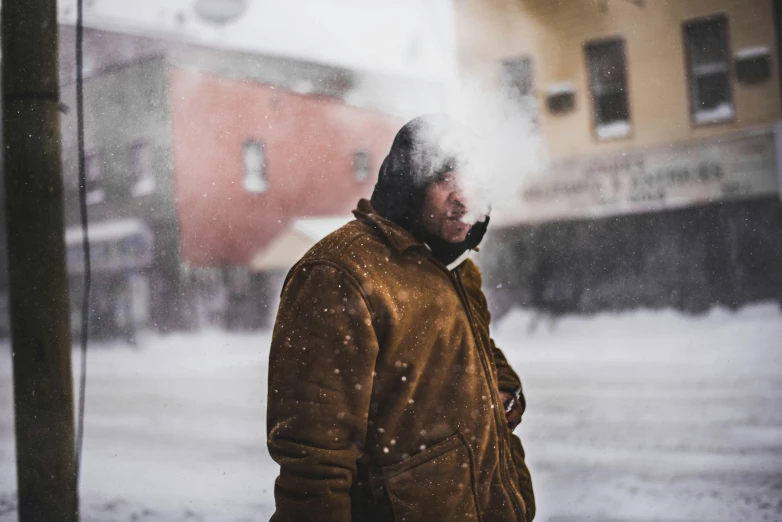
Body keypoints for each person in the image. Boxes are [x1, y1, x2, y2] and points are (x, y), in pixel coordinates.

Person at [266, 115, 535, 522]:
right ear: (410, 183)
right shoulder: (339, 274)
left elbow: (477, 352)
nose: (465, 198)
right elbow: (314, 459)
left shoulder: (458, 267)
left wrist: (503, 389)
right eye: (447, 180)